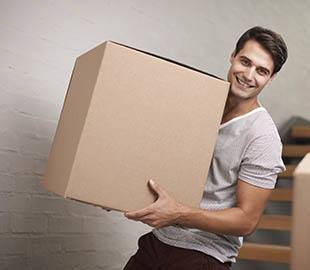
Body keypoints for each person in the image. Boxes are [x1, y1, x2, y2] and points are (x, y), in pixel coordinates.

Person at [123, 26, 288, 270]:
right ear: (233, 56)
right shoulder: (200, 105)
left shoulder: (262, 137)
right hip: (157, 241)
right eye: (245, 62)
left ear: (271, 78)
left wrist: (178, 214)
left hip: (203, 256)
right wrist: (117, 190)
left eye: (261, 71)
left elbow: (246, 220)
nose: (249, 75)